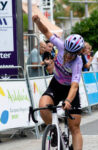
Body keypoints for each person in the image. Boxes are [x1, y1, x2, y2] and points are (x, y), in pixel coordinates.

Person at [32, 15, 84, 150]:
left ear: (78, 53)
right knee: (43, 106)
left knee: (75, 127)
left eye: (72, 54)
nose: (67, 56)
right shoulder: (61, 45)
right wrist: (38, 21)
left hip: (70, 90)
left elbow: (74, 86)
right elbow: (46, 32)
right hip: (56, 84)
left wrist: (68, 101)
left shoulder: (77, 63)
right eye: (67, 52)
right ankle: (55, 132)